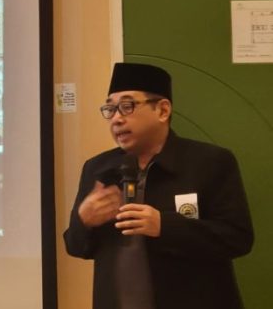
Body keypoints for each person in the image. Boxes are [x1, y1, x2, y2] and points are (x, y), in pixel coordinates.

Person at [63, 62, 253, 309]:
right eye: (110, 109)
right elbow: (76, 247)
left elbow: (237, 239)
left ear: (162, 110)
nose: (116, 119)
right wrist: (83, 221)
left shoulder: (210, 162)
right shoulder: (97, 168)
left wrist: (164, 226)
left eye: (127, 106)